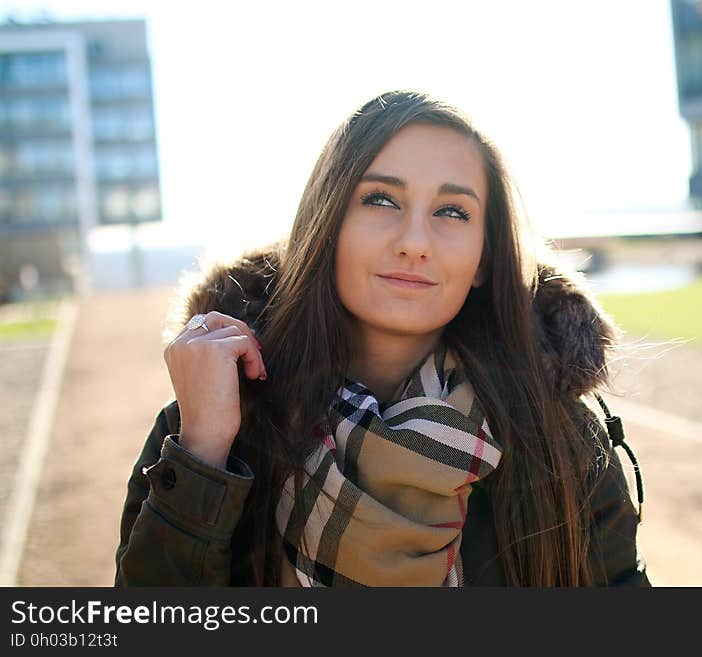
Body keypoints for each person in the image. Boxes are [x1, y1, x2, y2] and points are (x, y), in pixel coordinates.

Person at [114, 90, 650, 587]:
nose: (415, 242)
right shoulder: (213, 425)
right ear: (326, 225)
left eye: (451, 211)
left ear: (483, 258)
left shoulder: (557, 437)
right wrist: (204, 455)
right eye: (381, 201)